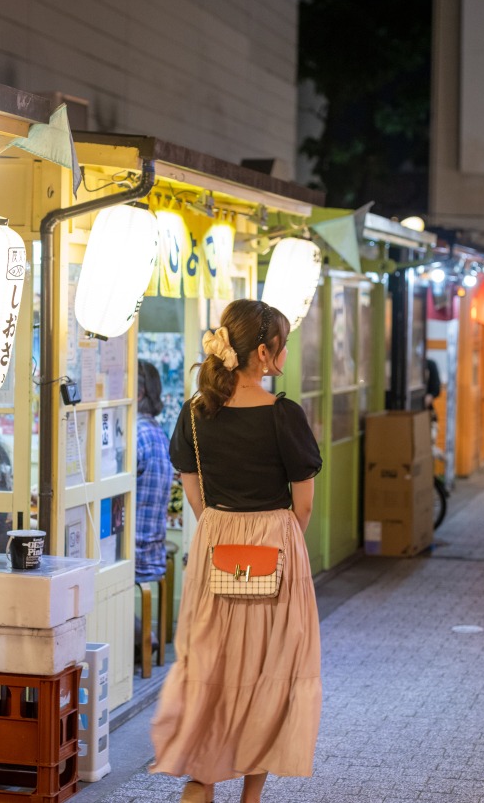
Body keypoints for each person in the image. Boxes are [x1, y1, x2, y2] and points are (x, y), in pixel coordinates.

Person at [150, 299, 322, 803]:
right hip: (275, 542)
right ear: (265, 353)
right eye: (283, 343)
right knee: (270, 668)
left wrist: (224, 534)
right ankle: (251, 795)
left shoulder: (195, 413)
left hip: (216, 544)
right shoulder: (283, 415)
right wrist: (275, 540)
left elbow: (193, 490)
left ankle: (202, 780)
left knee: (214, 663)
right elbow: (303, 504)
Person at [135, 360, 170, 584]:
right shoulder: (157, 432)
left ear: (138, 394)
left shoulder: (135, 435)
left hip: (133, 556)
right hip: (152, 553)